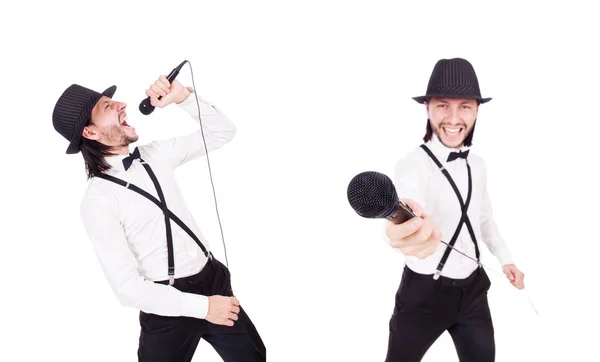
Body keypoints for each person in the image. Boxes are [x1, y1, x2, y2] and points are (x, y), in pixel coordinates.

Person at [52, 73, 266, 362]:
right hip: (166, 307)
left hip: (213, 281)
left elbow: (222, 133)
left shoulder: (156, 155)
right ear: (90, 133)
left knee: (254, 357)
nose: (121, 105)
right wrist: (203, 308)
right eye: (107, 106)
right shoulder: (98, 201)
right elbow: (128, 289)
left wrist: (184, 98)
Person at [383, 58, 525, 362]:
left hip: (473, 291)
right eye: (443, 106)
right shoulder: (411, 166)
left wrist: (506, 259)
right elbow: (410, 206)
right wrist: (408, 231)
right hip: (424, 294)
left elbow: (484, 218)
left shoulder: (479, 164)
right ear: (428, 108)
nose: (454, 117)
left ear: (476, 110)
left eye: (464, 106)